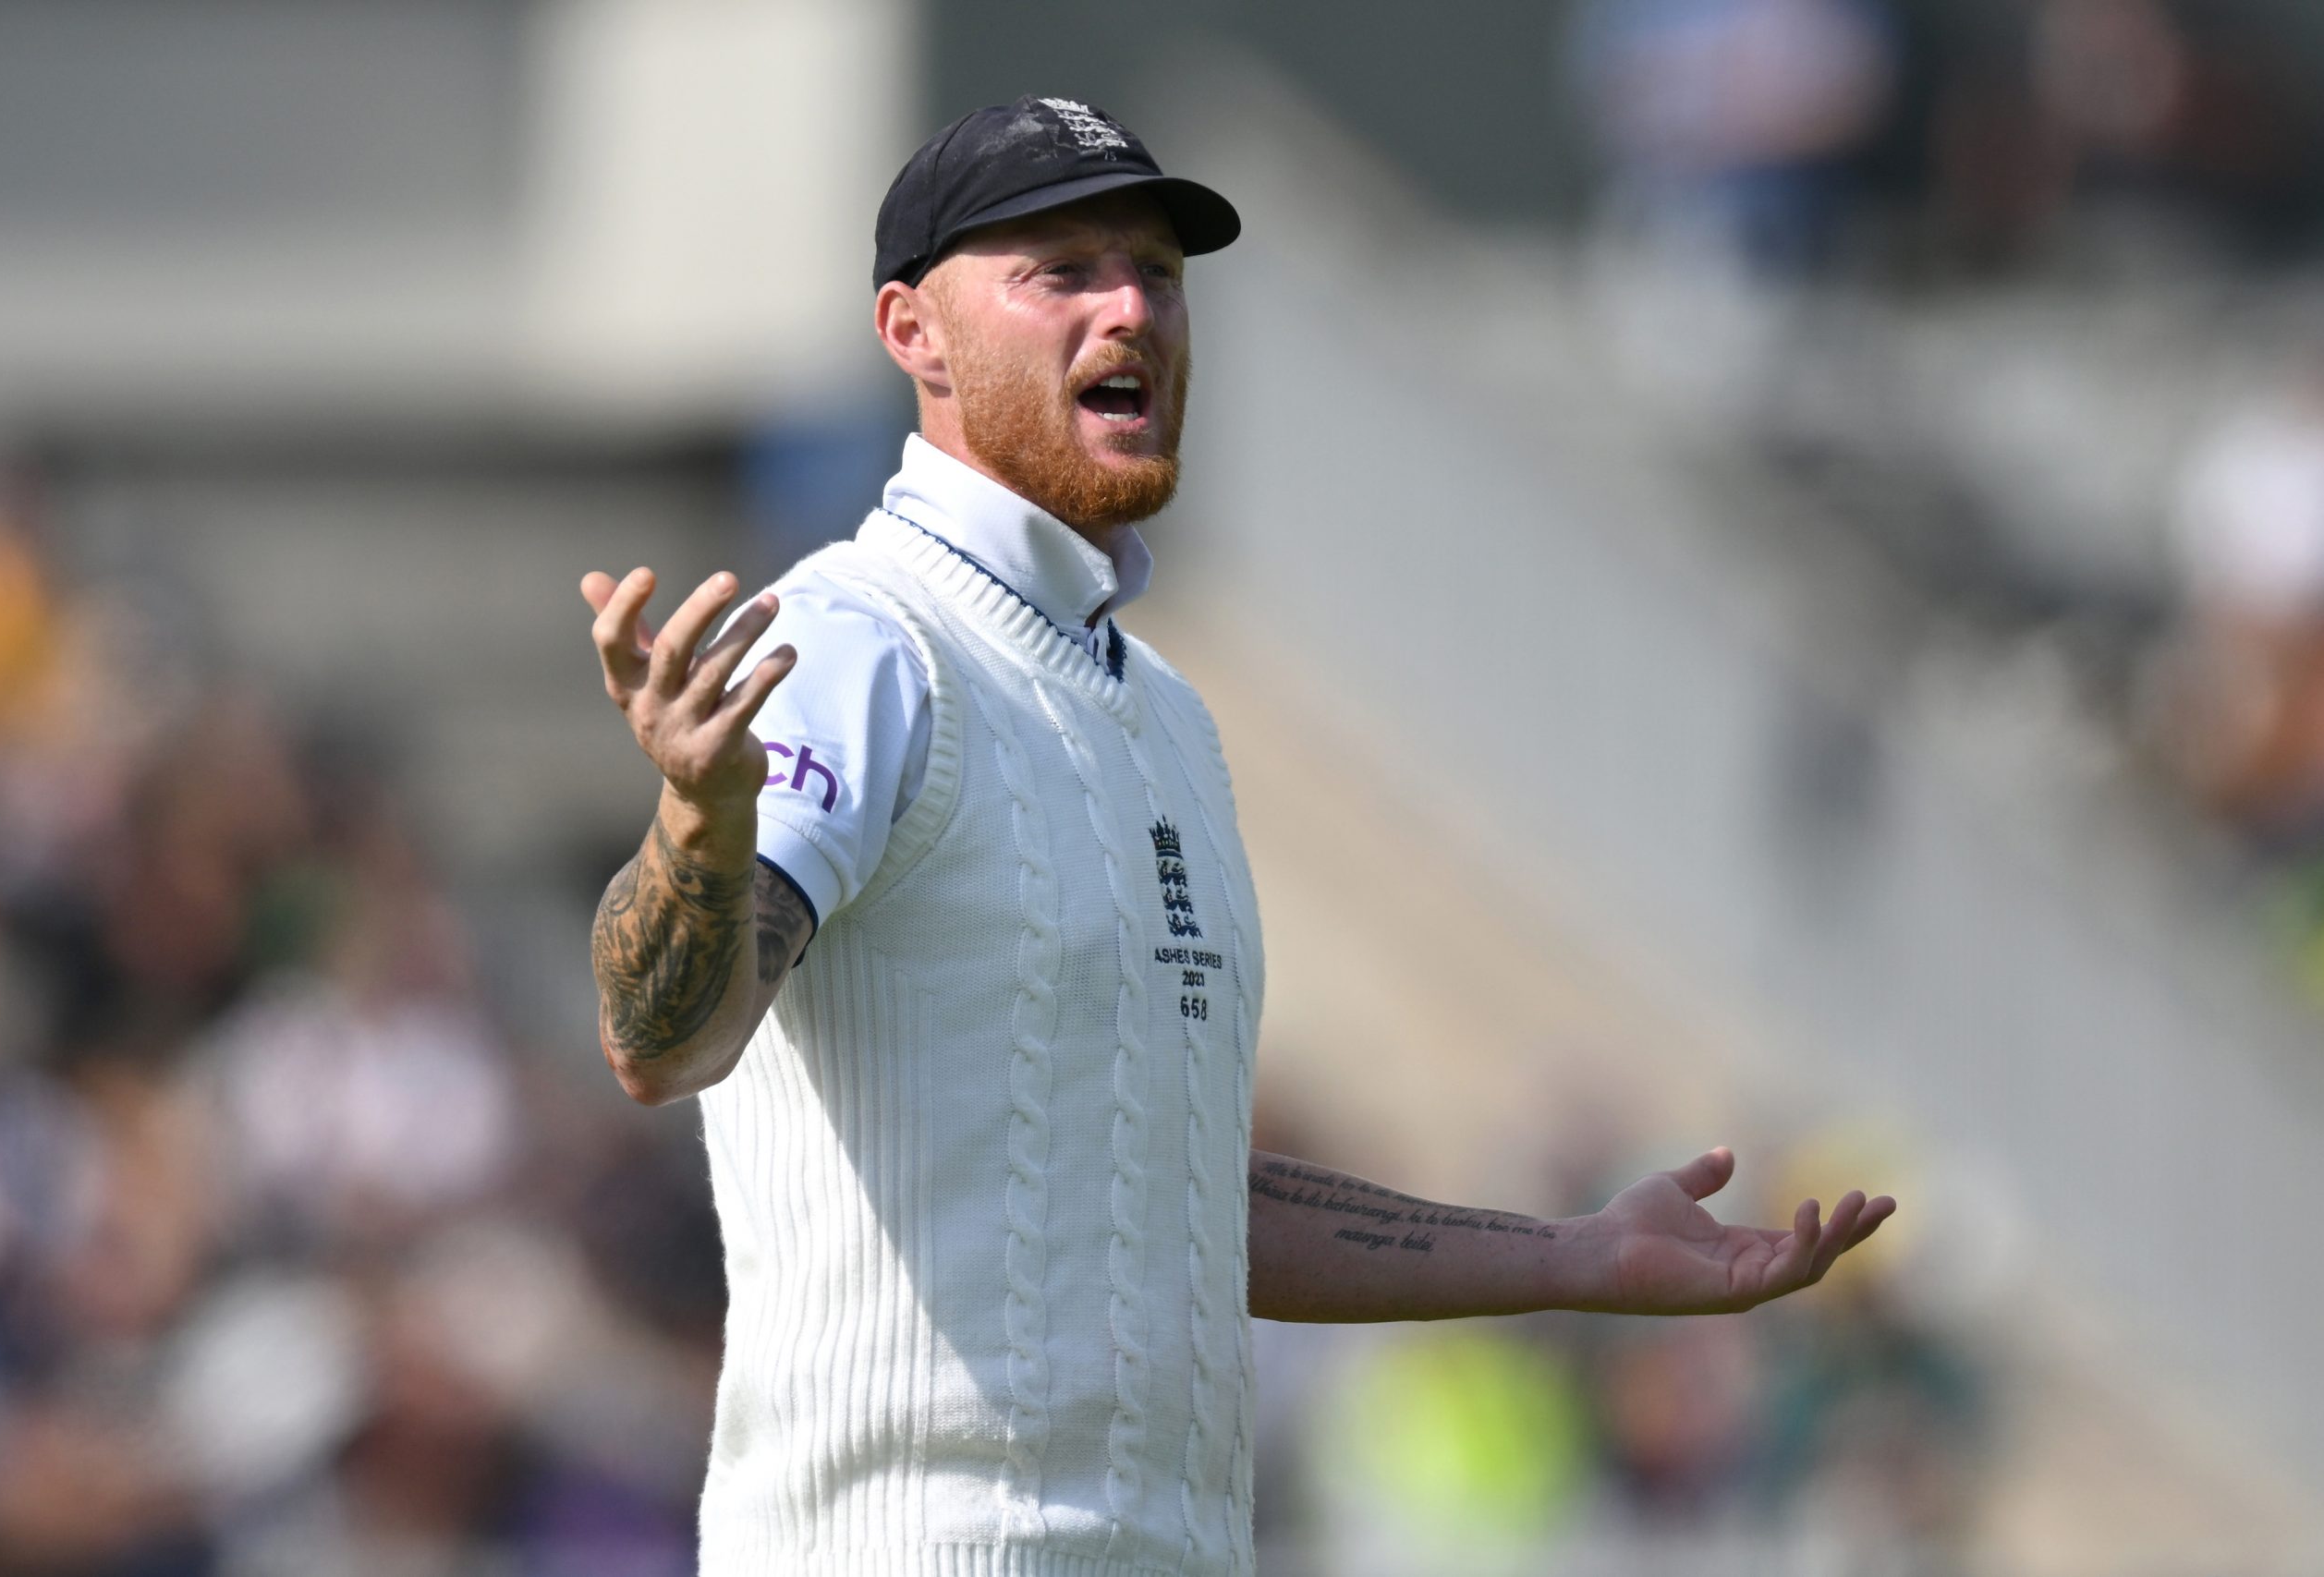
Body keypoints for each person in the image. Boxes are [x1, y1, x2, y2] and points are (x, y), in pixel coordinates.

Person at [577, 94, 1895, 1577]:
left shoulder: (1167, 721)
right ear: (913, 332)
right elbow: (660, 1042)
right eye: (1060, 270)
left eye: (1157, 268)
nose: (1131, 304)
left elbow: (1179, 1194)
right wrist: (699, 822)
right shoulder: (857, 639)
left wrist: (1576, 1257)